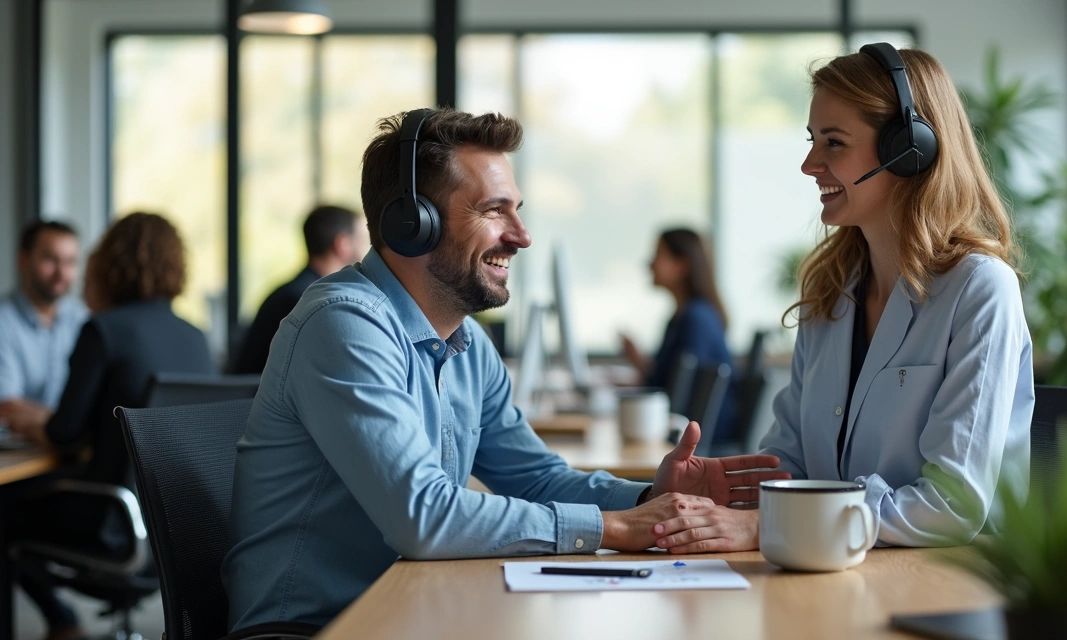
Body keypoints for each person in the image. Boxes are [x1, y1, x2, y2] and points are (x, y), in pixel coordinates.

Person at [222, 108, 788, 632]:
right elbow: (423, 518)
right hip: (316, 626)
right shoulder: (343, 325)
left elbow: (537, 478)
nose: (521, 236)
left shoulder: (467, 345)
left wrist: (645, 502)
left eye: (516, 210)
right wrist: (615, 529)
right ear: (411, 223)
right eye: (494, 210)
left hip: (412, 604)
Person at [647, 44, 1034, 554]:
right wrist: (730, 497)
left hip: (944, 586)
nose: (810, 164)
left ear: (907, 148)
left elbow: (952, 505)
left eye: (834, 143)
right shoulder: (830, 292)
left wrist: (776, 525)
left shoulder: (978, 289)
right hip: (835, 571)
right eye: (813, 140)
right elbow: (791, 461)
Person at [3, 212, 215, 640]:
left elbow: (65, 432)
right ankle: (62, 620)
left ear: (107, 263)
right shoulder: (196, 337)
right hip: (181, 524)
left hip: (113, 520)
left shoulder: (102, 330)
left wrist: (44, 421)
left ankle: (59, 620)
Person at [620, 228, 735, 443]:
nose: (650, 264)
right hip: (683, 431)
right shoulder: (683, 317)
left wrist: (639, 367)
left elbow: (676, 393)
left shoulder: (695, 319)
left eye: (658, 255)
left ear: (682, 264)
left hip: (695, 438)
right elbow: (668, 383)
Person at [229, 204, 368, 374]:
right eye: (363, 241)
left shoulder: (290, 293)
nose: (368, 250)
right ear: (342, 245)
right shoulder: (312, 303)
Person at [0, 221, 88, 418]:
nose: (61, 273)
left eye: (70, 262)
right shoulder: (3, 321)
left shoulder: (82, 318)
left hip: (69, 443)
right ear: (23, 260)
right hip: (18, 447)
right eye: (50, 259)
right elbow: (6, 406)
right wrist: (68, 425)